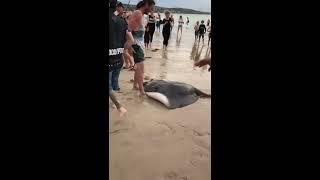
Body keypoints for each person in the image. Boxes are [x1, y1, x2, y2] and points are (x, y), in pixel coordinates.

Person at [108, 0, 132, 116]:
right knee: (114, 84)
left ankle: (118, 106)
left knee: (109, 87)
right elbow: (131, 40)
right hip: (118, 59)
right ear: (116, 7)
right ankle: (113, 103)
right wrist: (122, 49)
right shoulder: (123, 21)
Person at [129, 0, 155, 96]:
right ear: (146, 5)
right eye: (151, 7)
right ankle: (142, 91)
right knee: (141, 69)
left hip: (140, 44)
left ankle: (135, 86)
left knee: (138, 68)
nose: (152, 10)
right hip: (136, 44)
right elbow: (128, 30)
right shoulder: (138, 13)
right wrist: (130, 46)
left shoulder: (143, 15)